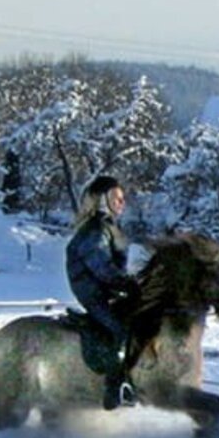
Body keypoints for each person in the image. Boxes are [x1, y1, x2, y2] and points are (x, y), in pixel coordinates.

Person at [66, 174, 139, 410]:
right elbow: (99, 264)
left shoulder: (110, 226)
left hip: (108, 290)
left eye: (122, 199)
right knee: (121, 329)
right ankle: (114, 386)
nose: (122, 203)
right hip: (94, 292)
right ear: (102, 200)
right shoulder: (95, 230)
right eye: (116, 198)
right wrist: (124, 283)